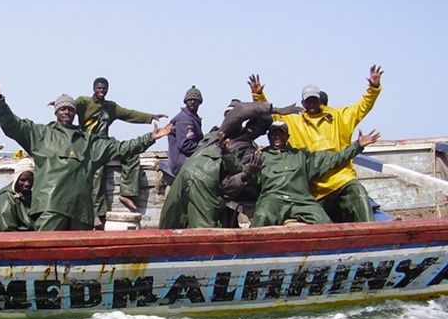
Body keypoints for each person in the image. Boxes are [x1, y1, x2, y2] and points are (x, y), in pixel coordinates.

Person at [0, 77, 172, 231]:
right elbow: (12, 124)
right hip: (50, 207)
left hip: (81, 212)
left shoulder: (88, 142)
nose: (66, 111)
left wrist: (150, 138)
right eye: (62, 108)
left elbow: (122, 148)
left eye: (70, 108)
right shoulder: (40, 134)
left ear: (76, 113)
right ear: (56, 111)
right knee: (47, 258)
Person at [248, 65, 383, 222]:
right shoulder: (294, 123)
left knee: (358, 193)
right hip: (314, 190)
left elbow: (362, 107)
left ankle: (369, 236)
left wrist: (373, 88)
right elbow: (272, 117)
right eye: (308, 101)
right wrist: (258, 95)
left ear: (320, 100)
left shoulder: (339, 116)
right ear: (303, 103)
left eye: (314, 100)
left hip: (341, 179)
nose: (311, 104)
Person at [159, 100, 300, 229]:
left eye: (259, 126)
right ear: (247, 122)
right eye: (253, 122)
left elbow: (236, 175)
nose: (254, 127)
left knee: (178, 224)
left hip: (200, 177)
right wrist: (275, 109)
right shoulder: (226, 131)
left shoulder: (248, 151)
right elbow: (242, 110)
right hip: (197, 175)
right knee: (175, 225)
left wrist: (245, 170)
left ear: (263, 132)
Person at [242, 121, 381, 227]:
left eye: (281, 133)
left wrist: (357, 146)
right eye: (274, 133)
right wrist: (248, 170)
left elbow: (334, 158)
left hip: (301, 200)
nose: (277, 136)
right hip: (273, 199)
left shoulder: (302, 155)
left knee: (325, 222)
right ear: (269, 137)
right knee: (261, 216)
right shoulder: (260, 156)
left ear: (287, 136)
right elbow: (243, 177)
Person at [75, 77, 168, 224]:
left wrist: (150, 117)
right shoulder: (84, 102)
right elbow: (72, 105)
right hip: (89, 144)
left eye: (104, 88)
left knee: (131, 154)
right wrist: (61, 104)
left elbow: (129, 114)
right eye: (99, 88)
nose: (102, 91)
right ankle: (97, 214)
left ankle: (126, 193)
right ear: (94, 88)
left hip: (105, 141)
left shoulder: (110, 107)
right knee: (97, 173)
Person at [166, 85, 204, 177]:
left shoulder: (192, 117)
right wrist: (204, 149)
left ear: (200, 102)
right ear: (185, 101)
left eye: (195, 100)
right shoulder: (184, 119)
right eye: (190, 100)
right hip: (182, 163)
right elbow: (186, 145)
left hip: (187, 160)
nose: (192, 102)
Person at [0, 157, 35, 232]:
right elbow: (5, 229)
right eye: (23, 180)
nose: (27, 184)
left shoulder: (33, 197)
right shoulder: (7, 198)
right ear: (16, 179)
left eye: (30, 180)